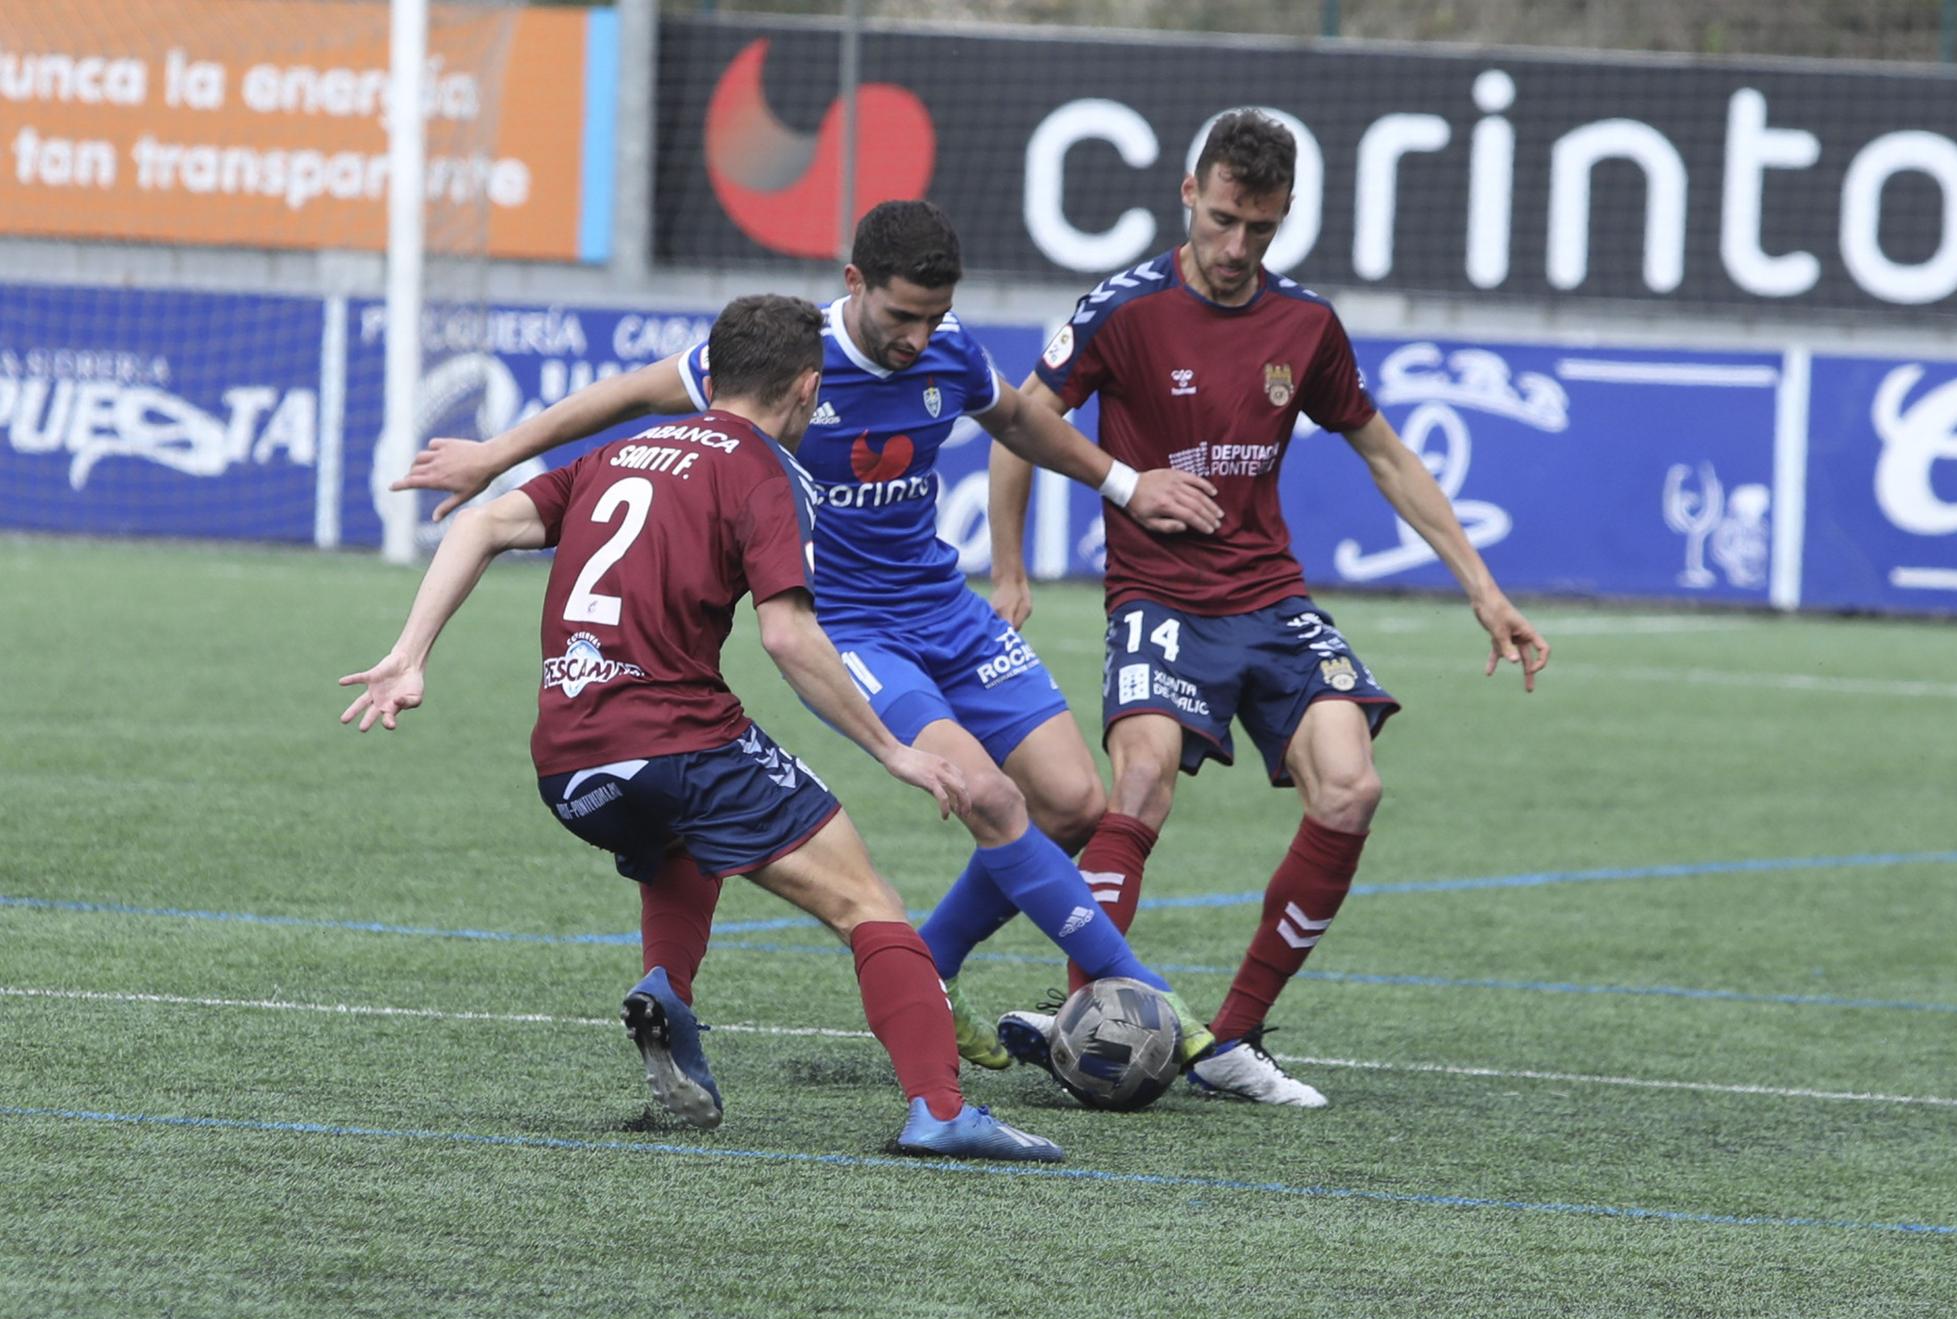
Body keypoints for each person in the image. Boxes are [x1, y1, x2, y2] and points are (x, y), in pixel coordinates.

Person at [391, 201, 1226, 1076]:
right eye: (903, 316)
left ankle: (927, 966)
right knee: (986, 793)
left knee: (1074, 804)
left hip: (945, 605)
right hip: (852, 627)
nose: (918, 337)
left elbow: (1017, 420)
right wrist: (496, 453)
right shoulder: (789, 362)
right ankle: (1160, 1006)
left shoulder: (950, 349)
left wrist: (1127, 484)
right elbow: (628, 394)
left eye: (935, 317)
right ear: (854, 284)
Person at [339, 293, 1062, 1161]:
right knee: (867, 902)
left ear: (710, 376)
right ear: (806, 387)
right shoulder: (766, 472)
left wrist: (410, 654)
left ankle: (665, 990)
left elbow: (487, 520)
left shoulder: (619, 452)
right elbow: (790, 634)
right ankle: (941, 1109)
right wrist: (895, 748)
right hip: (678, 738)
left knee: (680, 838)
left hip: (569, 762)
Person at [982, 110, 1551, 1107]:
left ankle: (1232, 1039)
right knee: (1141, 781)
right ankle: (1091, 1014)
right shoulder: (1122, 309)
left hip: (1270, 597)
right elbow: (1015, 425)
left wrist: (1482, 588)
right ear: (1187, 197)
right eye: (1222, 221)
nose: (1237, 248)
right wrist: (1010, 570)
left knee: (1350, 789)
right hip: (1158, 596)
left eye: (1261, 229)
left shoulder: (1305, 326)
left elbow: (1383, 452)